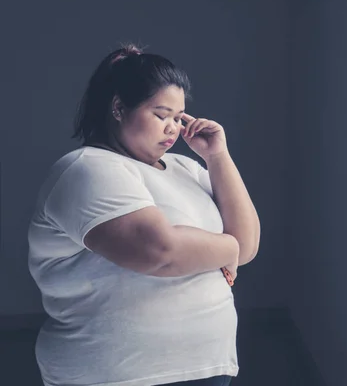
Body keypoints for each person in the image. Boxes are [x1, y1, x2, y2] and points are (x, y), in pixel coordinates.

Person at [27, 44, 261, 386]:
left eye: (179, 118)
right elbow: (159, 252)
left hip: (207, 367)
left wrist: (218, 157)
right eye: (161, 114)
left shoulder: (186, 167)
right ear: (119, 108)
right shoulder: (86, 169)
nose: (173, 129)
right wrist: (228, 249)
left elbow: (249, 243)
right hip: (116, 375)